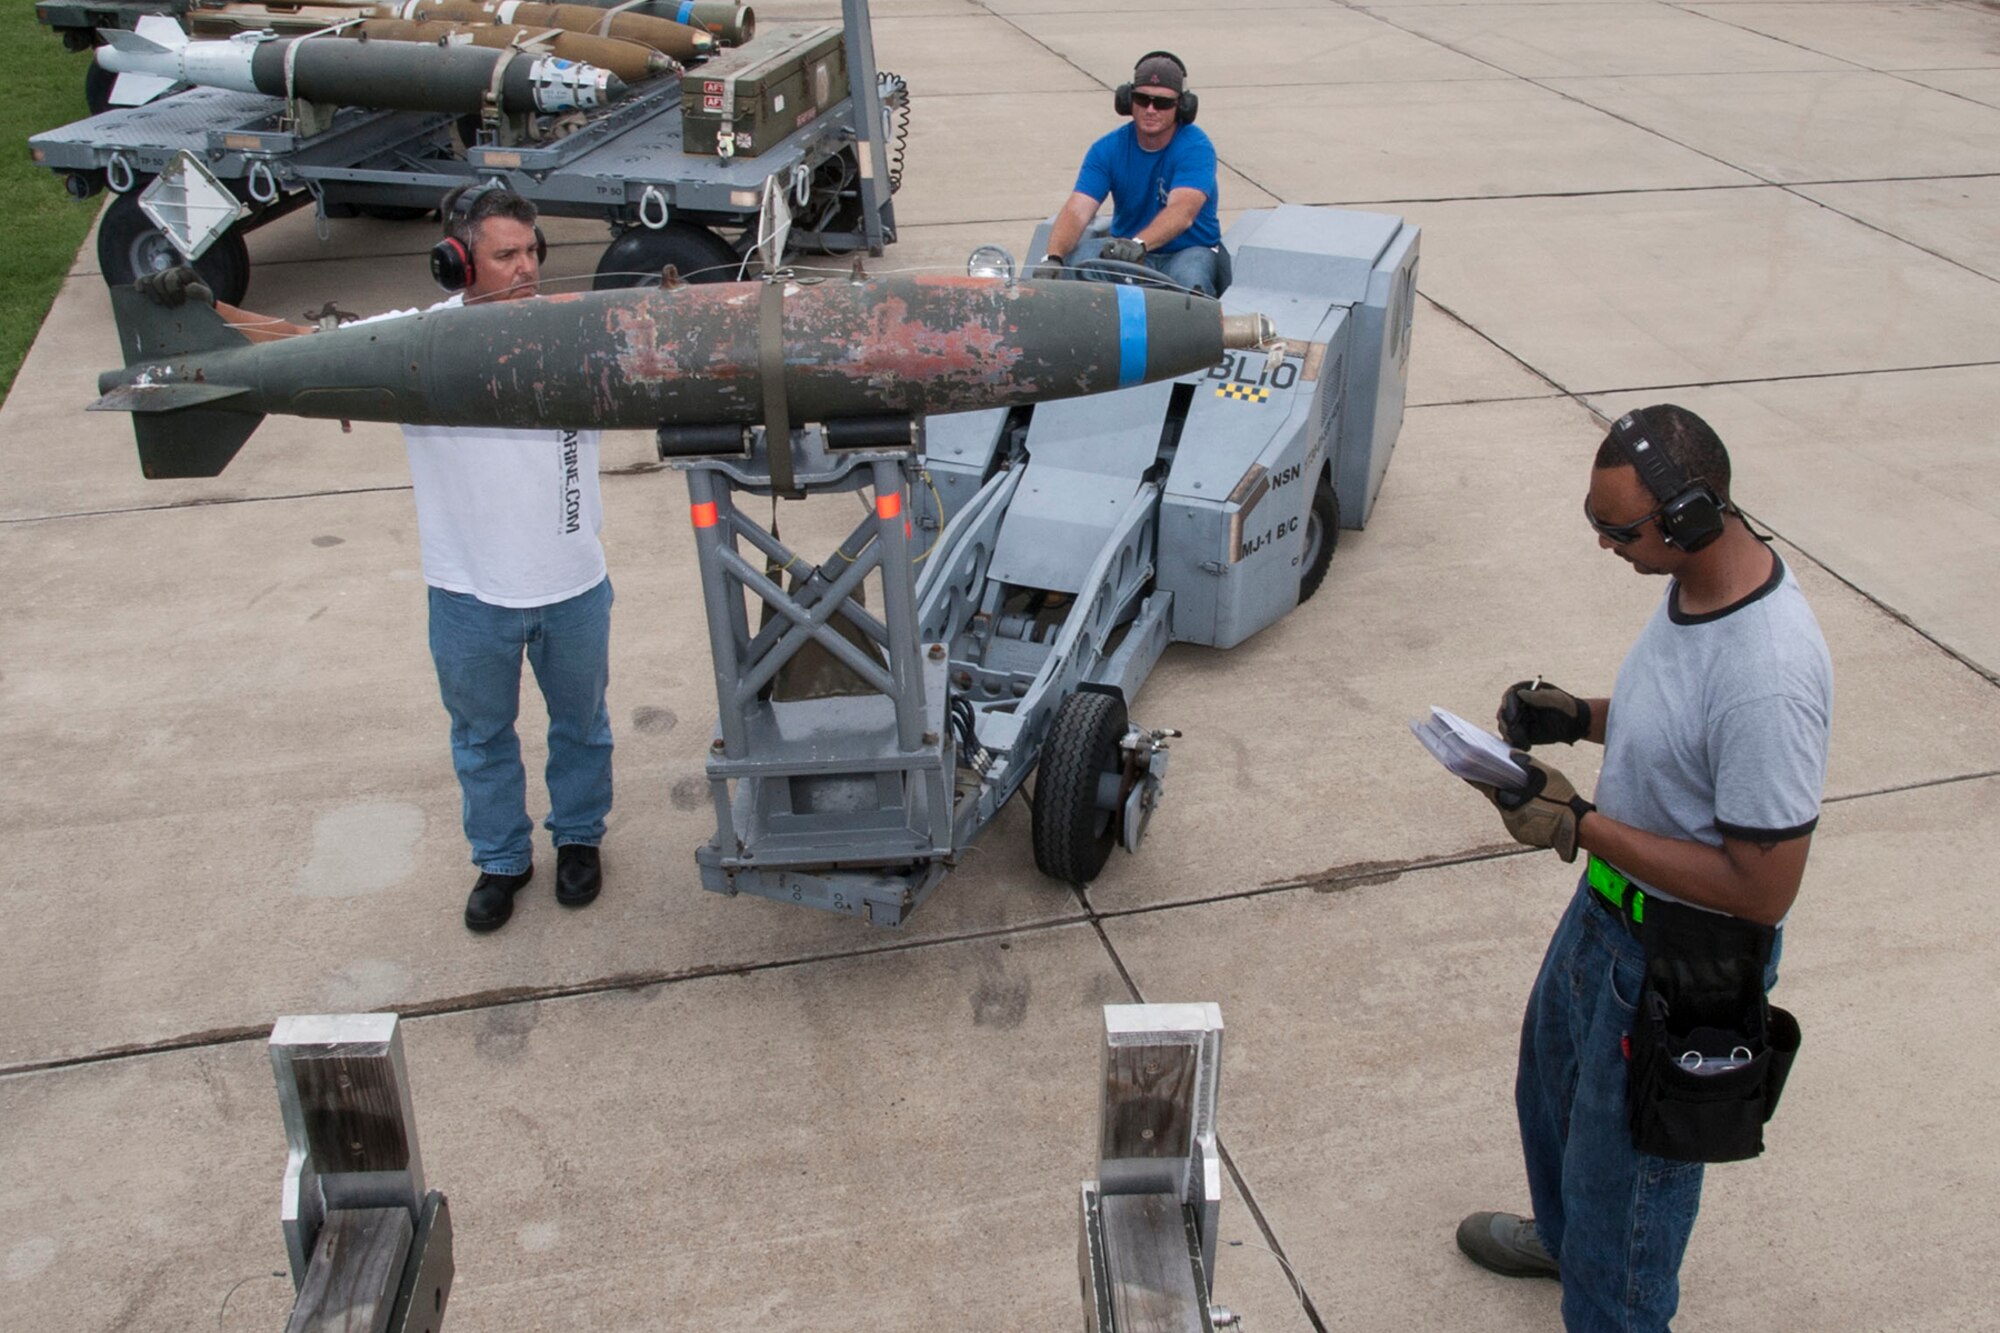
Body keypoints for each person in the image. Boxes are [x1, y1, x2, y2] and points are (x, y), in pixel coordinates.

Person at [134, 184, 612, 934]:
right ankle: (502, 859)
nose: (525, 269)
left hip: (573, 583)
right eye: (505, 255)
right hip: (468, 592)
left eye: (531, 252)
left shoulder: (573, 330)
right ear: (460, 263)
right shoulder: (412, 343)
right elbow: (295, 344)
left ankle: (579, 839)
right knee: (481, 735)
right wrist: (207, 308)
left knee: (581, 723)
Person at [1453, 405, 1832, 1331]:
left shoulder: (1771, 673)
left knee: (1627, 1201)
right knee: (1548, 1094)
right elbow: (1680, 727)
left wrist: (1579, 824)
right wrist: (1576, 716)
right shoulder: (1696, 588)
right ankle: (1564, 1237)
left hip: (1681, 962)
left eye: (1618, 530)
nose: (1603, 544)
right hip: (1607, 918)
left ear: (1693, 518)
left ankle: (1606, 1290)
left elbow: (1761, 887)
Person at [1035, 50, 1225, 296]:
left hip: (1188, 251)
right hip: (1127, 253)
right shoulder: (1107, 149)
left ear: (1182, 107)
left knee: (1190, 280)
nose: (1151, 109)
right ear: (1127, 102)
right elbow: (1078, 209)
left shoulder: (1196, 148)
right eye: (1142, 99)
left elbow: (1182, 212)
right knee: (1078, 262)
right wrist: (1054, 257)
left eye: (1163, 103)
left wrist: (1139, 244)